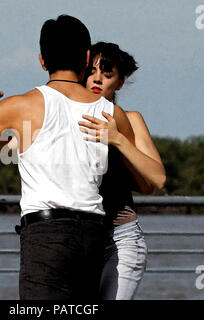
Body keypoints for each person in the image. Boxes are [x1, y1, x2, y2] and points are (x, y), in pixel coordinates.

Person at [0, 15, 141, 300]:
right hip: (95, 237)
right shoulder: (112, 112)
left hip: (47, 235)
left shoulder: (22, 106)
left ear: (42, 61)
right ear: (86, 57)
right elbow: (20, 151)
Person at [80, 42, 166, 299]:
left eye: (107, 75)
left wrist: (117, 139)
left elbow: (156, 179)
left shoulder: (132, 119)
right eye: (91, 72)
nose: (97, 80)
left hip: (121, 237)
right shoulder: (69, 117)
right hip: (80, 238)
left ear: (119, 83)